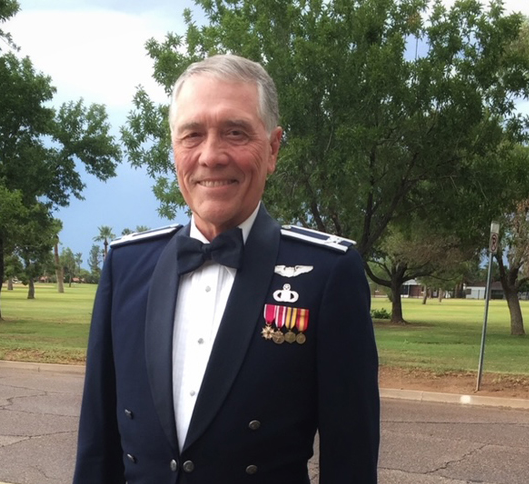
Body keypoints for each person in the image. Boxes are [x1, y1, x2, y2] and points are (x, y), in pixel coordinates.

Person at [73, 54, 380, 484]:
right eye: (192, 135)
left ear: (273, 149)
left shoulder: (328, 273)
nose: (211, 156)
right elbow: (97, 446)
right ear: (174, 150)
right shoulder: (125, 265)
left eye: (235, 133)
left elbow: (351, 462)